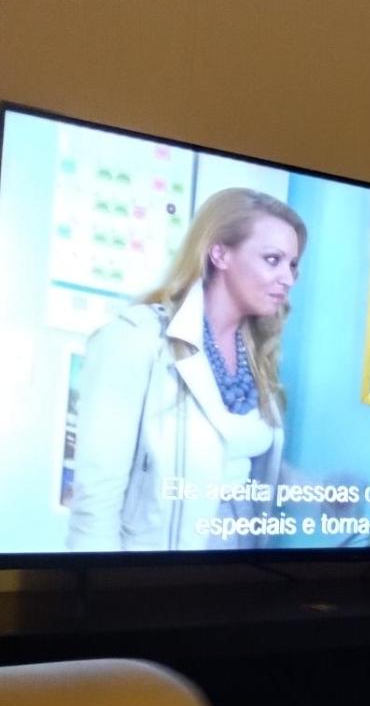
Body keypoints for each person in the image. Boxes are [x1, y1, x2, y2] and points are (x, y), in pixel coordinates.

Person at [67, 187, 307, 552]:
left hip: (242, 563)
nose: (287, 278)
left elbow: (232, 460)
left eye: (292, 265)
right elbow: (95, 503)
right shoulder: (135, 340)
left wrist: (322, 492)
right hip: (158, 571)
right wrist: (102, 581)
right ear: (219, 253)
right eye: (273, 260)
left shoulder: (258, 352)